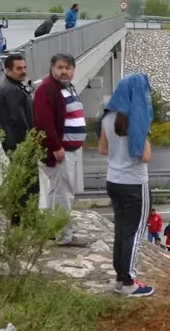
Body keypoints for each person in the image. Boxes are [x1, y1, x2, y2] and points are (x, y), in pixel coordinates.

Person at [99, 72, 156, 297]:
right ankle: (130, 281)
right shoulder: (137, 118)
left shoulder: (107, 118)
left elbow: (103, 149)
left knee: (121, 230)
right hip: (134, 182)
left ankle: (120, 279)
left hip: (114, 180)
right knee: (135, 233)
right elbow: (144, 155)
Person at [33, 52, 86, 244]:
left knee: (56, 191)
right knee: (63, 193)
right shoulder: (47, 89)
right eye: (60, 67)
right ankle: (64, 236)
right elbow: (43, 121)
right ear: (52, 68)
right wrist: (55, 147)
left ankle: (54, 230)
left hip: (68, 149)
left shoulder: (65, 87)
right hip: (60, 151)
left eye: (68, 68)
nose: (64, 71)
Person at [0, 53, 32, 152]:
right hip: (17, 142)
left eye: (24, 68)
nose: (23, 71)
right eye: (19, 69)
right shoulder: (11, 90)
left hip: (11, 140)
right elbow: (18, 118)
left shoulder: (11, 86)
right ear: (8, 71)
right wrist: (28, 140)